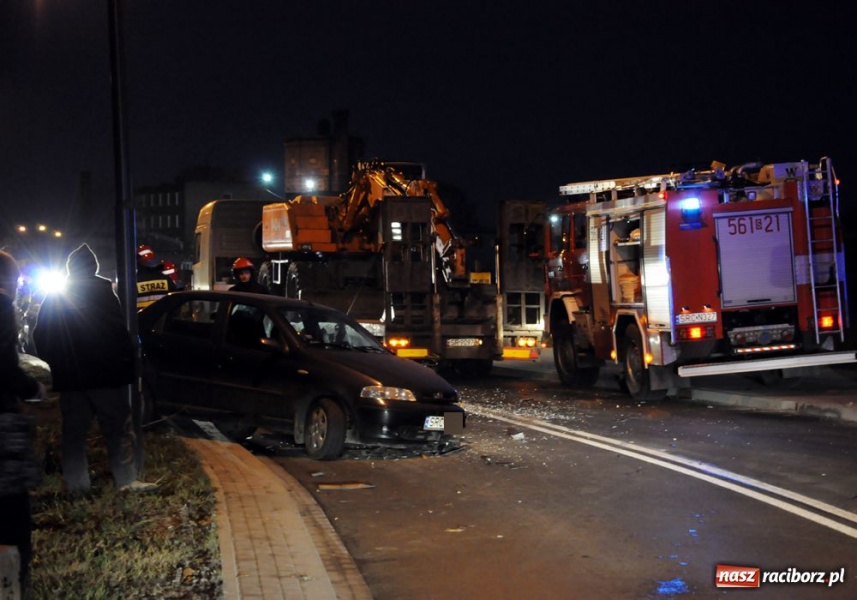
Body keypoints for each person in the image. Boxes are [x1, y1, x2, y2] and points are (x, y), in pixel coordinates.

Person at [33, 243, 156, 495]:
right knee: (117, 428)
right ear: (94, 267)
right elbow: (117, 332)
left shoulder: (56, 296)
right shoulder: (103, 292)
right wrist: (125, 364)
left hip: (72, 379)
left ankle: (77, 487)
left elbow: (41, 334)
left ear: (70, 269)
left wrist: (58, 364)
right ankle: (125, 481)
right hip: (105, 376)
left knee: (74, 435)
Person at [0, 250, 46, 593]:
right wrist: (32, 387)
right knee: (12, 517)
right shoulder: (1, 306)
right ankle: (12, 586)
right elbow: (3, 365)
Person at [136, 244, 177, 310]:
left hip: (141, 318)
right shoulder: (166, 279)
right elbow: (175, 302)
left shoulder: (133, 282)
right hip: (162, 318)